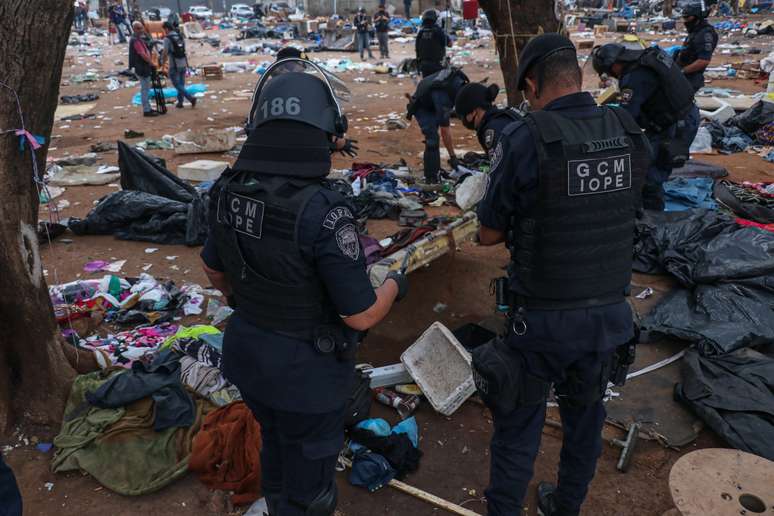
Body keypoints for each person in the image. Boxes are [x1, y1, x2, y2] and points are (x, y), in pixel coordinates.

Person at [200, 62, 407, 516]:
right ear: (326, 129)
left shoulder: (229, 190)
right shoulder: (325, 211)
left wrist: (249, 300)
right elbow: (361, 315)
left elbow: (214, 270)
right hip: (305, 377)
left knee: (275, 445)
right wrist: (394, 282)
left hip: (249, 358)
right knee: (312, 490)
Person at [471, 34, 648, 516]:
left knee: (517, 425)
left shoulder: (526, 137)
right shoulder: (626, 128)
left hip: (543, 320)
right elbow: (633, 206)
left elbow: (488, 233)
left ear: (531, 83)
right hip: (608, 315)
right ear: (580, 76)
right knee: (586, 418)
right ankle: (566, 505)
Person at [592, 43, 698, 210]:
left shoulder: (634, 77)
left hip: (676, 125)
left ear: (614, 65)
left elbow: (627, 119)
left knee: (650, 175)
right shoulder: (647, 58)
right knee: (648, 162)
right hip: (681, 115)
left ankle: (653, 221)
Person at [406, 66, 469, 183]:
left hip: (431, 99)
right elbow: (445, 131)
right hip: (422, 107)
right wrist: (453, 157)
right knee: (432, 139)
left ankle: (435, 169)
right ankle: (431, 177)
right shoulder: (444, 97)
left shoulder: (461, 81)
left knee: (434, 137)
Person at [454, 82, 522, 157]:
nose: (463, 120)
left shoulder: (492, 130)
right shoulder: (501, 116)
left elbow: (504, 165)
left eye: (463, 116)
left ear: (474, 112)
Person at [676, 3, 718, 93]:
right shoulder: (695, 30)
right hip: (684, 76)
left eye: (687, 18)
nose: (685, 21)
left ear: (696, 17)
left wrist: (681, 71)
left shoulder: (704, 34)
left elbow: (703, 61)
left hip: (691, 79)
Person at [162, 21, 197, 109]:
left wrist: (162, 63)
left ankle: (190, 98)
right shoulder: (180, 36)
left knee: (176, 84)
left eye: (164, 30)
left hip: (174, 64)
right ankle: (180, 102)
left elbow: (165, 52)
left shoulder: (167, 38)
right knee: (181, 84)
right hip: (183, 63)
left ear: (166, 29)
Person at [129, 21, 158, 117]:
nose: (141, 30)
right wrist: (151, 63)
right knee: (145, 89)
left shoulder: (139, 39)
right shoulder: (135, 40)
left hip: (142, 66)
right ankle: (147, 110)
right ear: (134, 29)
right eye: (138, 28)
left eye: (141, 28)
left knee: (146, 88)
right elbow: (142, 54)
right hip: (141, 67)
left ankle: (148, 108)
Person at [415, 9, 451, 77]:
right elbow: (449, 44)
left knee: (426, 84)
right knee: (437, 84)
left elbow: (417, 49)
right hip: (436, 65)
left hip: (423, 65)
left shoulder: (421, 32)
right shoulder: (438, 31)